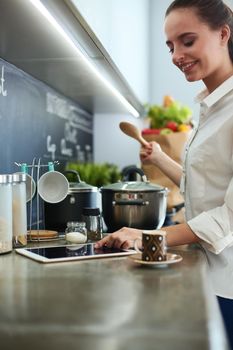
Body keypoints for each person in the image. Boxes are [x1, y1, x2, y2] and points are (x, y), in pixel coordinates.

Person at [95, 0, 233, 347]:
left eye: (187, 41)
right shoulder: (209, 107)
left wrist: (150, 236)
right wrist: (160, 159)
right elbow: (203, 185)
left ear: (223, 34)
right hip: (211, 273)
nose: (175, 55)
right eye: (170, 46)